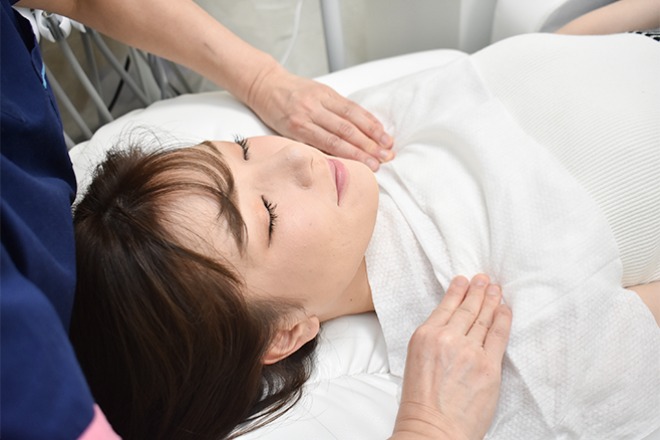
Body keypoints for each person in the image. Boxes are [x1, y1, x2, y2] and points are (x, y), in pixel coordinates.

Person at [70, 33, 660, 439]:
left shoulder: (362, 137)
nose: (296, 158)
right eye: (268, 213)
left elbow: (527, 59)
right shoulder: (498, 329)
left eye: (242, 148)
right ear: (285, 333)